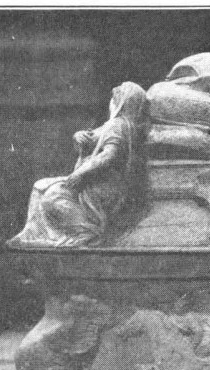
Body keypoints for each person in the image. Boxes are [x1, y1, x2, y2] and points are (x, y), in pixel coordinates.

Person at [12, 82, 148, 247]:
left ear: (121, 103)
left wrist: (80, 173)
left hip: (102, 185)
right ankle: (31, 234)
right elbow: (93, 137)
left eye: (114, 99)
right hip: (96, 181)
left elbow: (109, 154)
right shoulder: (119, 125)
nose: (111, 103)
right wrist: (79, 136)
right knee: (39, 186)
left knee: (53, 197)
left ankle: (86, 232)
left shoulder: (119, 125)